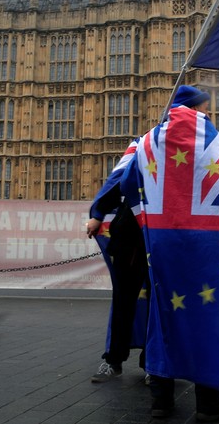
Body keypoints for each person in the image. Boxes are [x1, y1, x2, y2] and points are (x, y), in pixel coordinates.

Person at [116, 85, 219, 421]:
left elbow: (127, 182)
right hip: (203, 243)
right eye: (204, 106)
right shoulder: (205, 135)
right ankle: (208, 401)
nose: (207, 111)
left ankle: (161, 399)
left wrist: (147, 217)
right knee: (206, 313)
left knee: (163, 315)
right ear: (195, 108)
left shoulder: (147, 141)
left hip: (160, 241)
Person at [85, 138, 149, 383]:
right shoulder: (146, 145)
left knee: (160, 305)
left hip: (163, 236)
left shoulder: (188, 147)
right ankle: (114, 359)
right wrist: (98, 212)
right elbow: (121, 178)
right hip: (131, 235)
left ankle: (153, 364)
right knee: (124, 301)